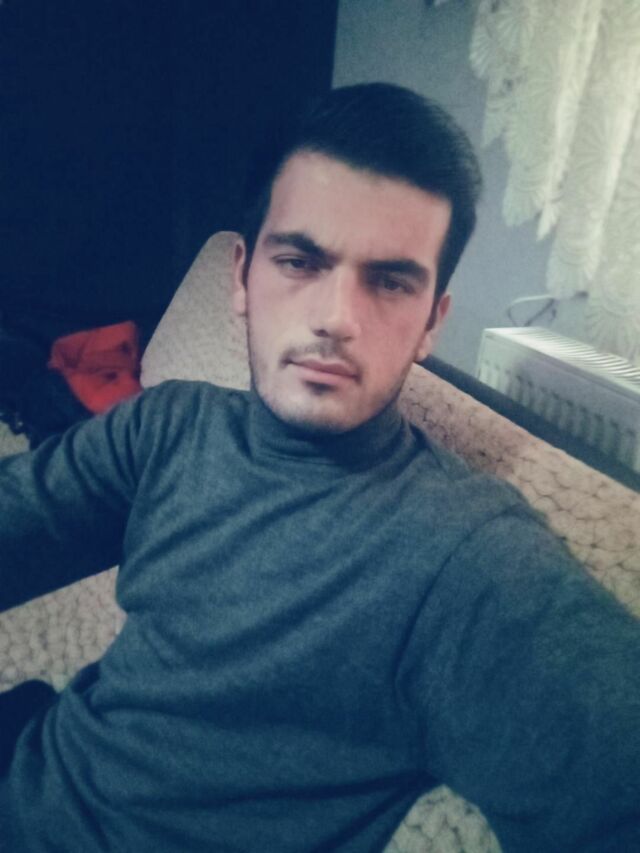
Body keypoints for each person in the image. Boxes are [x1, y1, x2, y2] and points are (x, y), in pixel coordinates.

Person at [0, 83, 638, 853]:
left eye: (391, 281)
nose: (337, 317)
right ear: (241, 277)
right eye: (300, 260)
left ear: (431, 322)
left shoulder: (470, 559)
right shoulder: (167, 426)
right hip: (37, 760)